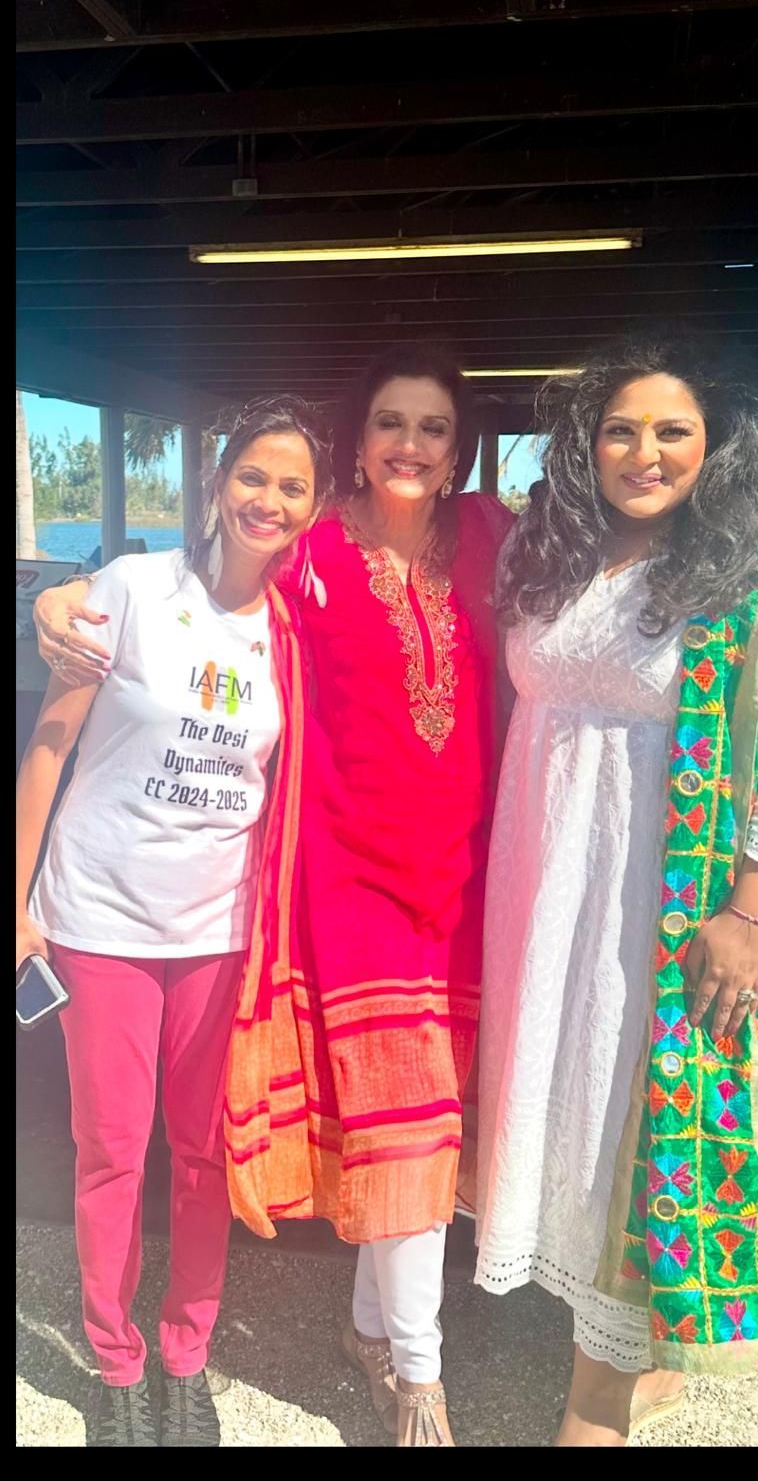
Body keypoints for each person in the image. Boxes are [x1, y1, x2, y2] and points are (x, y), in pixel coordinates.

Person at [33, 347, 514, 1448]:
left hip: (334, 915)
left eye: (433, 427)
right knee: (125, 1148)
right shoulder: (239, 571)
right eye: (389, 421)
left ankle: (238, 1346)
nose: (410, 444)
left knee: (268, 1148)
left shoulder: (446, 550)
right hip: (210, 912)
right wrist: (59, 593)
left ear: (460, 448)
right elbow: (66, 724)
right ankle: (136, 1362)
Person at [473, 340, 758, 1446]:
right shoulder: (554, 553)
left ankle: (603, 1396)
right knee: (568, 1120)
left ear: (714, 445)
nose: (646, 451)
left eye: (673, 429)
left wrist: (748, 910)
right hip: (542, 897)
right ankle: (626, 1358)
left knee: (635, 1126)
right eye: (620, 428)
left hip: (661, 905)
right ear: (587, 446)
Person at [18, 396, 330, 1447]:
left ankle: (185, 1352)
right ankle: (114, 1359)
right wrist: (16, 907)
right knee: (111, 1150)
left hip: (220, 935)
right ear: (215, 483)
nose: (268, 500)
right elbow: (50, 749)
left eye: (293, 487)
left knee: (202, 1155)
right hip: (100, 920)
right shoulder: (130, 588)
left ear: (312, 507)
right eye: (254, 477)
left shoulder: (294, 627)